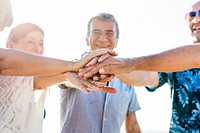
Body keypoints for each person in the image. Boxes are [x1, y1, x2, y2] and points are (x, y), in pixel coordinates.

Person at [79, 1, 200, 133]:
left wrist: (129, 63)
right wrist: (109, 65)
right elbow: (145, 75)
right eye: (192, 14)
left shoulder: (182, 56)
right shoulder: (175, 64)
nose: (196, 19)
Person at [0, 1, 117, 133]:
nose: (37, 49)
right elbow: (5, 61)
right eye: (30, 41)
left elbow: (38, 82)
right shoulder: (4, 70)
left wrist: (68, 75)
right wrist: (72, 66)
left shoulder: (26, 82)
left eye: (41, 43)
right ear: (10, 43)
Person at [59, 13, 141, 133]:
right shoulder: (70, 68)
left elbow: (132, 125)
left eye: (109, 33)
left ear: (116, 40)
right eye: (96, 32)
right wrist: (79, 79)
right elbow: (65, 81)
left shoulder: (127, 80)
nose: (102, 39)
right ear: (87, 39)